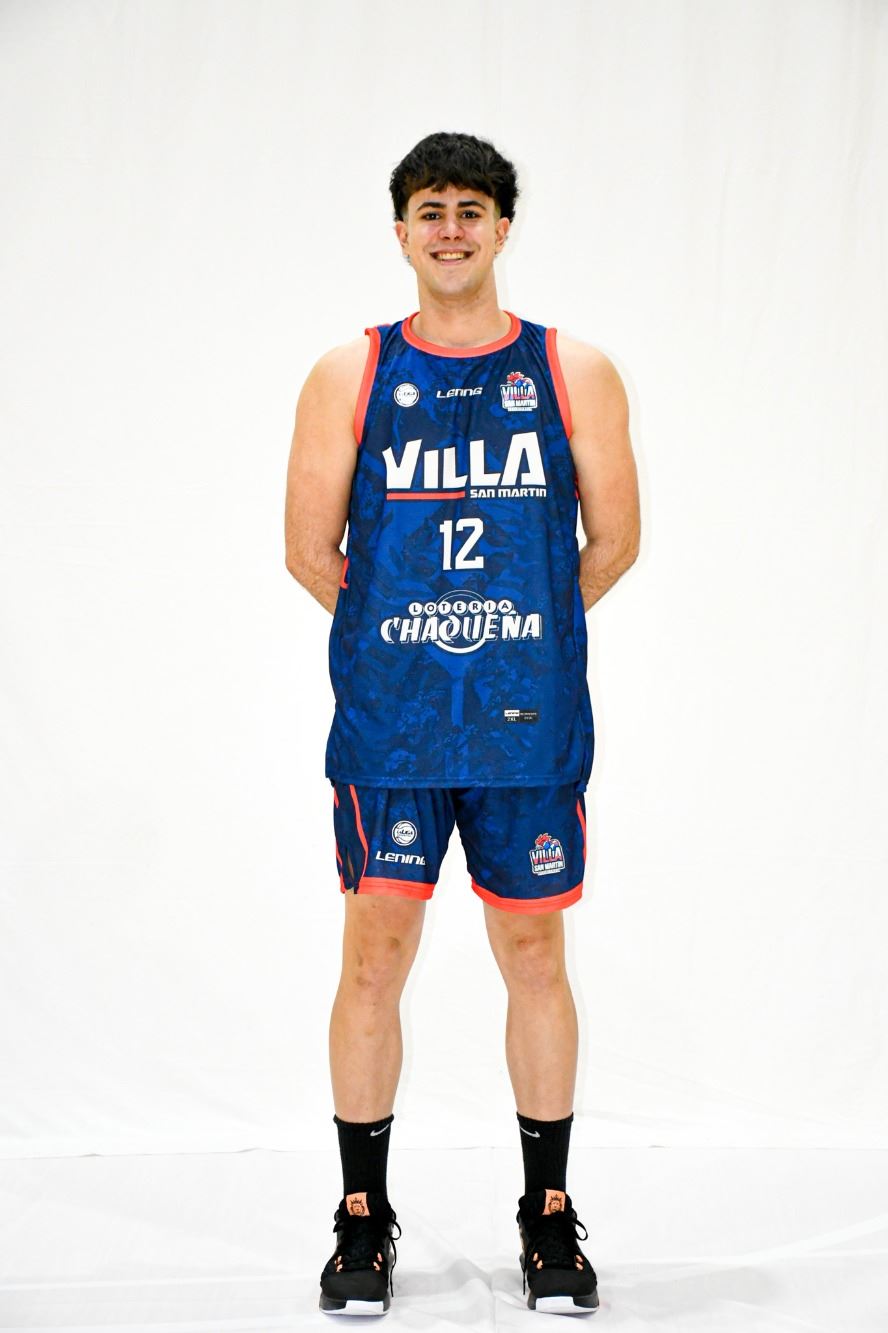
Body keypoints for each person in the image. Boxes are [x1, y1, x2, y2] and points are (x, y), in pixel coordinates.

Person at [284, 130, 640, 1317]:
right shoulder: (351, 371)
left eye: (471, 210)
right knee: (373, 954)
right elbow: (309, 551)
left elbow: (614, 541)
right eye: (431, 211)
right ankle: (361, 1213)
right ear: (401, 232)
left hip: (525, 725)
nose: (451, 229)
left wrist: (514, 632)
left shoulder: (571, 368)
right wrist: (412, 636)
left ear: (503, 228)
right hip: (392, 725)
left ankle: (548, 1210)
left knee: (534, 953)